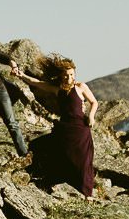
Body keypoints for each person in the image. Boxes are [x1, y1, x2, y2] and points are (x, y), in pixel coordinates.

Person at [15, 55, 98, 199]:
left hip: (80, 129)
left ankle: (87, 193)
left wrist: (91, 116)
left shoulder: (81, 87)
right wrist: (20, 75)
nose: (69, 78)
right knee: (49, 150)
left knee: (83, 160)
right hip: (65, 128)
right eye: (65, 75)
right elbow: (37, 83)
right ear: (60, 76)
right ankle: (47, 180)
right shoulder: (57, 89)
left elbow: (94, 102)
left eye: (71, 74)